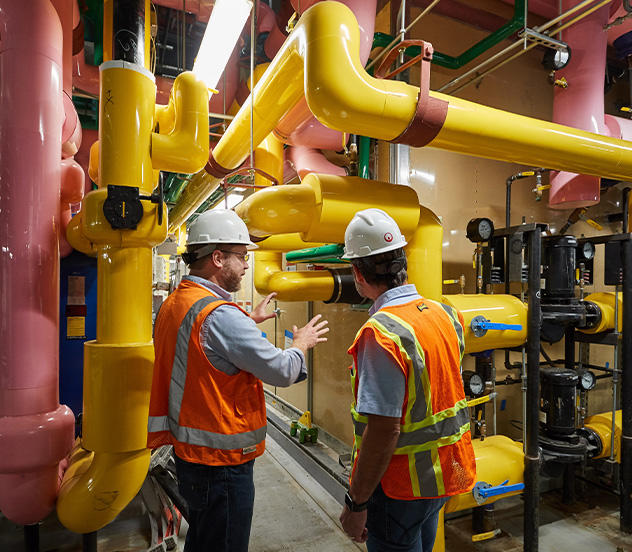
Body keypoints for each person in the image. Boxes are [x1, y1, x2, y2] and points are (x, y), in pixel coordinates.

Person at [147, 209, 328, 552]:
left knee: (203, 540)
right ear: (217, 258)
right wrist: (300, 344)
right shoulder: (221, 317)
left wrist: (248, 319)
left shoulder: (176, 302)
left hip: (190, 456)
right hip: (222, 464)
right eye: (241, 257)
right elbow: (282, 370)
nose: (246, 265)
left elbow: (206, 349)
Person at [338, 208, 476, 552]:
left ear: (358, 272)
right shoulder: (445, 313)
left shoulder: (381, 334)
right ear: (403, 261)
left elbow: (384, 430)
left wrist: (356, 504)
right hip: (441, 476)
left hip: (400, 488)